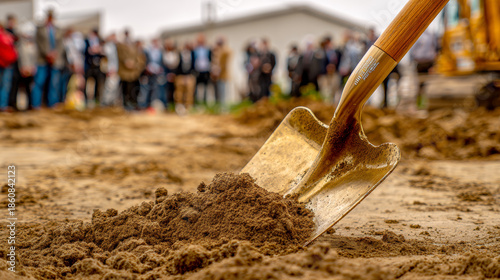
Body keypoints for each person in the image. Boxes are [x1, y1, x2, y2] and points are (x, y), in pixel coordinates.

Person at [32, 9, 65, 108]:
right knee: (39, 82)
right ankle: (36, 104)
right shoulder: (40, 29)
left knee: (53, 83)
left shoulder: (58, 30)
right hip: (42, 60)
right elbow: (39, 44)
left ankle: (52, 104)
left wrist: (55, 54)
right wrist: (47, 54)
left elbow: (60, 45)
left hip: (55, 60)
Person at [116, 30, 146, 110]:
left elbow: (139, 58)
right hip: (124, 72)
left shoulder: (134, 46)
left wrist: (135, 64)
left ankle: (133, 103)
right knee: (125, 88)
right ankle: (125, 104)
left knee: (133, 88)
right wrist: (126, 62)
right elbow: (120, 56)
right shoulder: (119, 46)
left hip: (133, 72)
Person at [141, 38, 165, 109]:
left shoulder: (160, 51)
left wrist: (160, 69)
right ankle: (144, 105)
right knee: (146, 89)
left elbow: (161, 62)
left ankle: (152, 105)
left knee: (155, 90)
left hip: (157, 73)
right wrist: (147, 68)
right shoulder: (147, 51)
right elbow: (145, 61)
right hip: (148, 73)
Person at [84, 28, 105, 105]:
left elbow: (103, 53)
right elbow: (85, 51)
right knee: (86, 83)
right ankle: (85, 99)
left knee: (97, 83)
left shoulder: (100, 42)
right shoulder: (86, 41)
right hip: (88, 66)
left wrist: (99, 50)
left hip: (97, 67)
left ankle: (96, 99)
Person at [174, 41, 195, 114]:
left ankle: (188, 108)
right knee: (179, 93)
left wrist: (189, 75)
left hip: (189, 76)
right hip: (180, 76)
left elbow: (193, 66)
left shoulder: (192, 54)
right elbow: (176, 66)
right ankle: (179, 107)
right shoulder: (179, 54)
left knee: (189, 93)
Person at [0, 22, 18, 111]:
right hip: (6, 64)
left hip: (6, 64)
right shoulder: (7, 36)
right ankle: (3, 106)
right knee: (5, 85)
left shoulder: (7, 36)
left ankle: (3, 105)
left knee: (4, 85)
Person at [193, 33, 213, 105]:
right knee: (196, 87)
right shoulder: (195, 50)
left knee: (206, 87)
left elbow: (210, 59)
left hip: (206, 70)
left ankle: (205, 102)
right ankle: (197, 102)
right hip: (197, 70)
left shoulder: (208, 49)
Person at [5, 14, 20, 110]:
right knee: (6, 84)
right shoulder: (5, 33)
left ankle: (13, 103)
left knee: (14, 83)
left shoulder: (16, 33)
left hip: (15, 63)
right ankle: (6, 104)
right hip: (6, 63)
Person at [211, 36, 231, 107]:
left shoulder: (225, 51)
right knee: (218, 92)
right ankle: (219, 106)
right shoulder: (217, 52)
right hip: (217, 76)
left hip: (223, 75)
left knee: (223, 92)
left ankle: (223, 107)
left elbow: (222, 64)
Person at [102, 33, 120, 106]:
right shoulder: (107, 47)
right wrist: (109, 69)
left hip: (115, 69)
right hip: (110, 70)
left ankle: (111, 102)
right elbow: (107, 59)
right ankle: (106, 102)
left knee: (114, 87)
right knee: (109, 87)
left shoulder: (114, 46)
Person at [162, 38, 180, 109]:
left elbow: (177, 64)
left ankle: (174, 105)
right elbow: (164, 64)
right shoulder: (163, 54)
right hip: (166, 75)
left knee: (175, 90)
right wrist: (168, 74)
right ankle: (167, 105)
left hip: (174, 75)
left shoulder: (176, 54)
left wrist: (173, 74)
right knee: (167, 91)